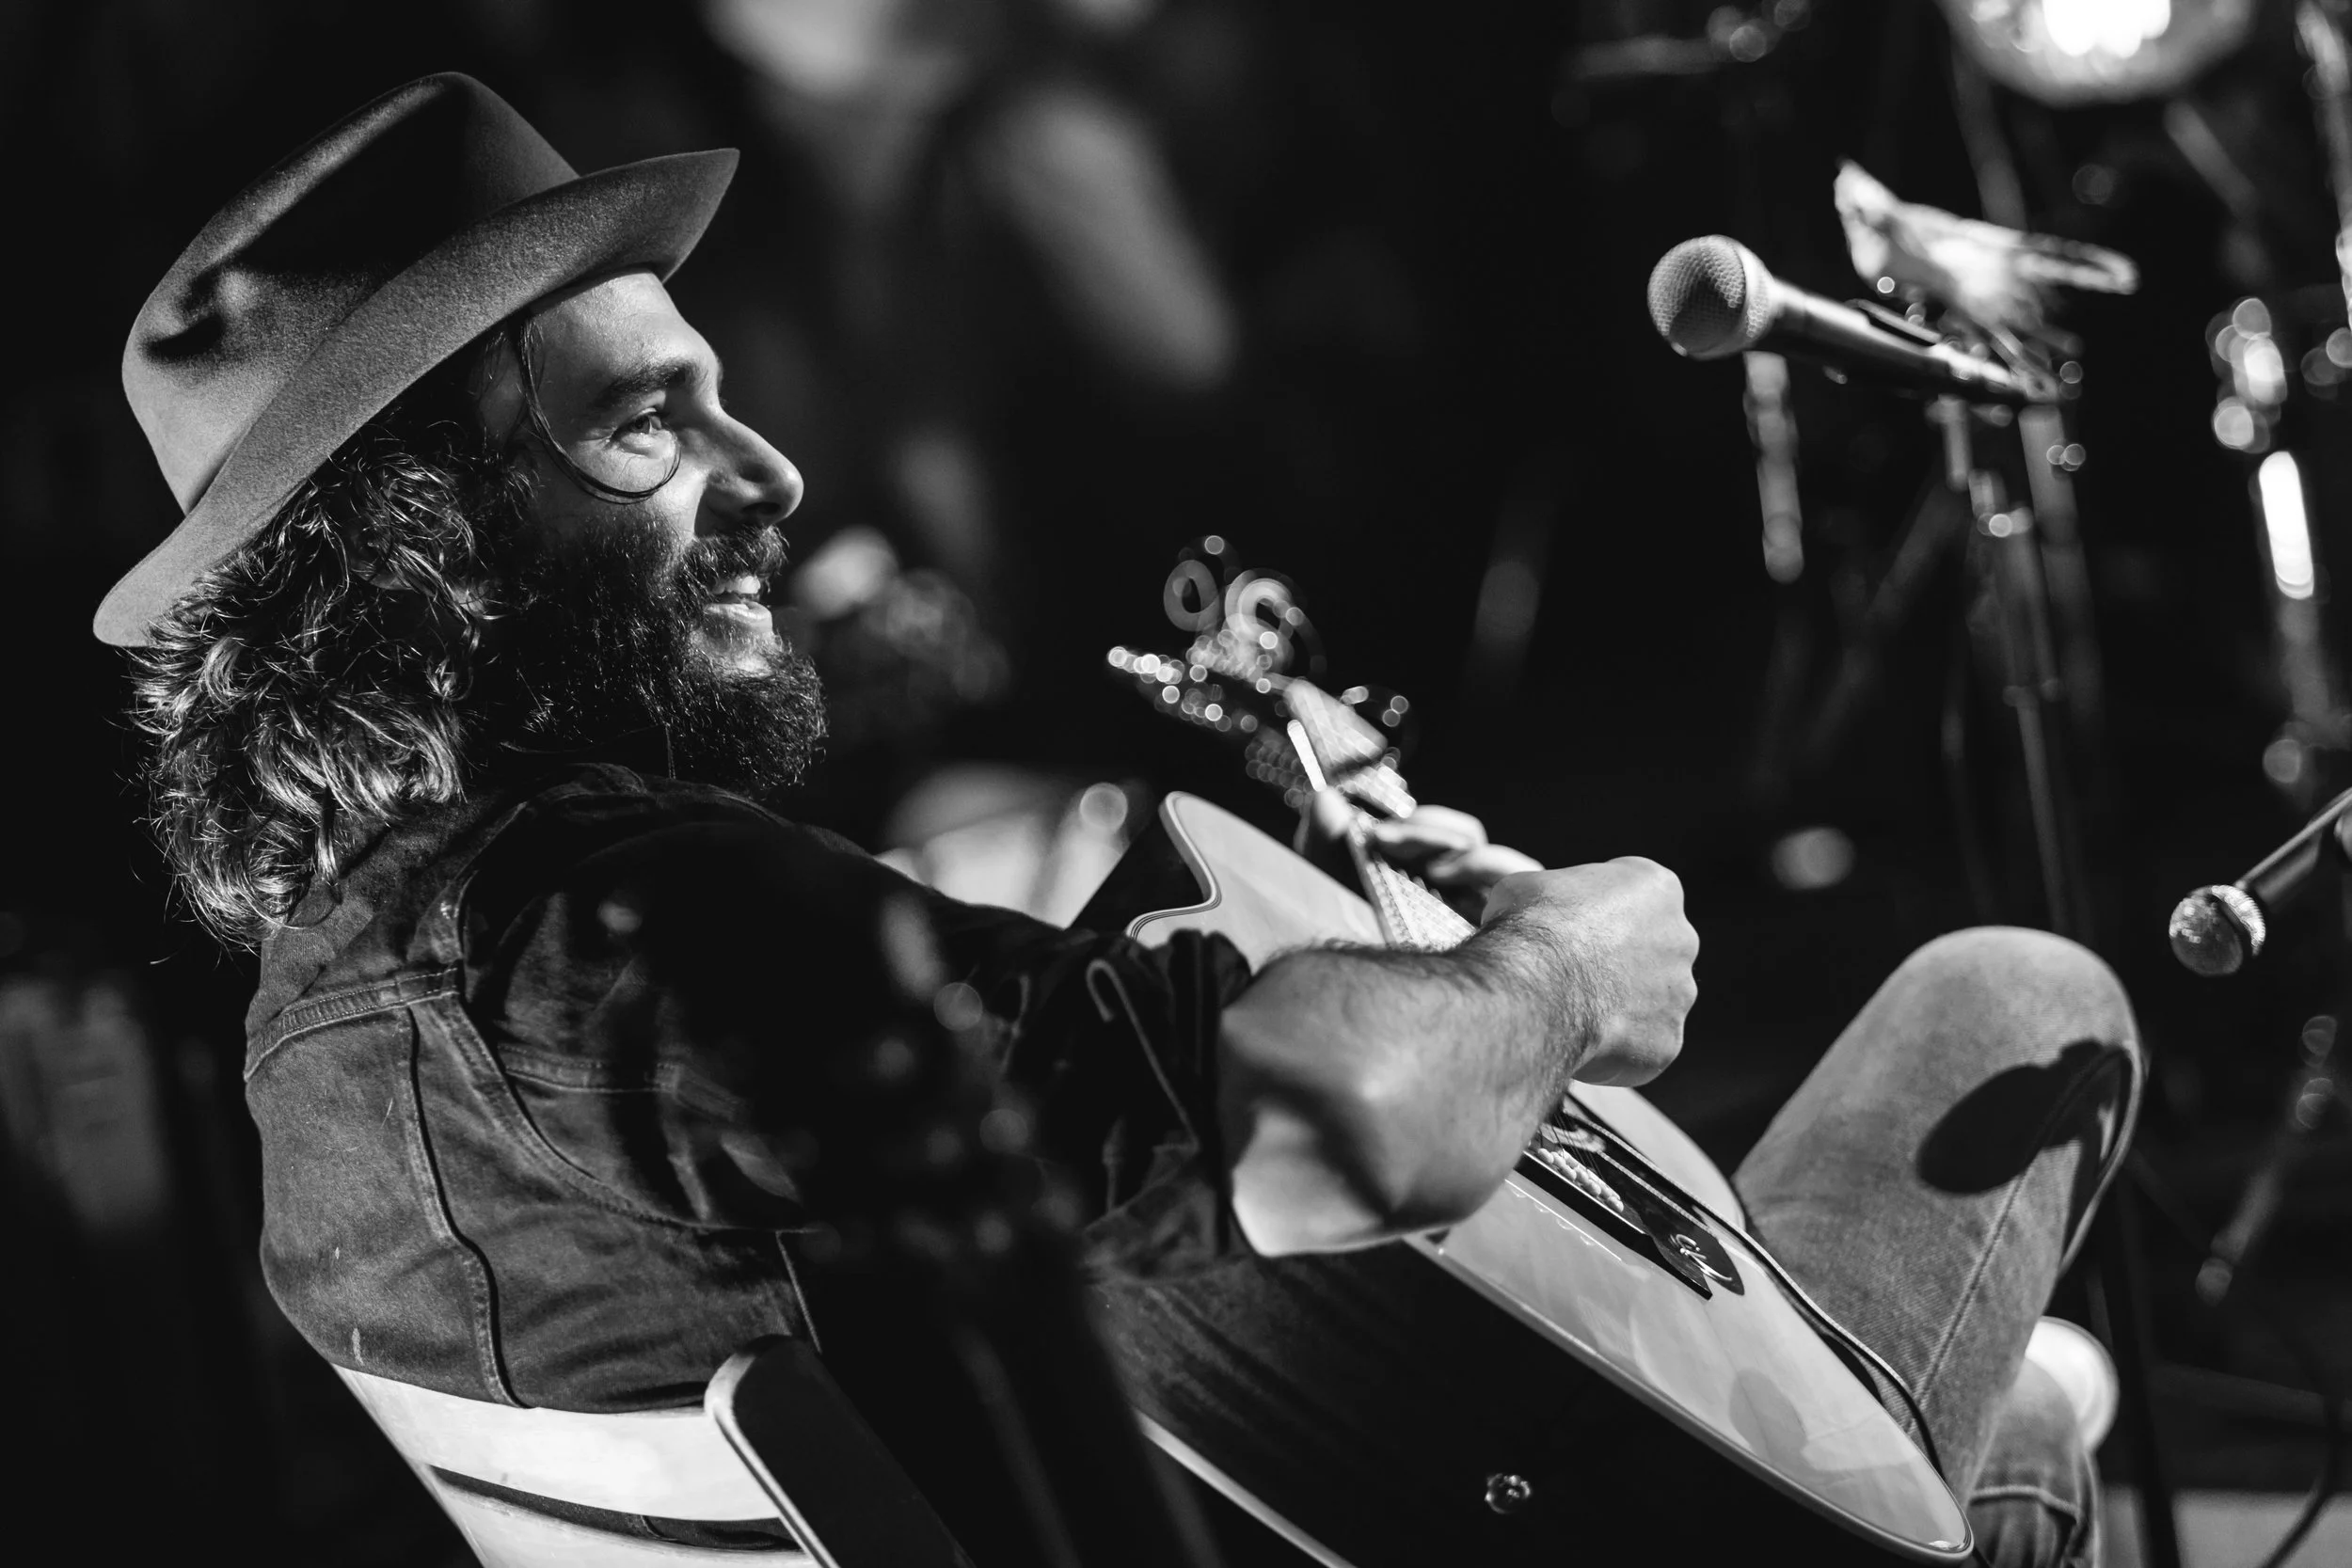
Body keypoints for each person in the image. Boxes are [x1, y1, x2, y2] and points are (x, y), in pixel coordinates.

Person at [109, 75, 2137, 1566]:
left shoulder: (317, 1044)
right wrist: (1557, 968)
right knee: (2012, 999)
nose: (769, 470)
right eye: (650, 418)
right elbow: (1338, 1129)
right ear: (422, 545)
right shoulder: (627, 930)